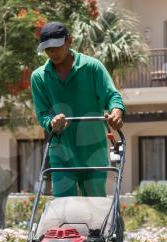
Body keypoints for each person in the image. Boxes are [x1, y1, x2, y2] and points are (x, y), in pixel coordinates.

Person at [31, 22, 125, 197]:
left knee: (97, 208)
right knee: (63, 208)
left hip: (93, 151)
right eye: (47, 49)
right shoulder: (39, 77)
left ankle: (106, 225)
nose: (52, 52)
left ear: (69, 41)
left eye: (56, 46)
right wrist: (52, 123)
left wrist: (116, 111)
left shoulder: (92, 67)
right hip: (61, 153)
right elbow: (43, 114)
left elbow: (112, 95)